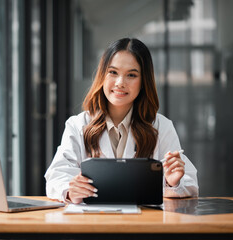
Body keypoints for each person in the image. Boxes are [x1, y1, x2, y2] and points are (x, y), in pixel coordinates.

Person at [44, 38, 198, 204]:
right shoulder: (77, 125)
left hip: (144, 223)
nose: (120, 83)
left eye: (131, 75)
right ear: (102, 75)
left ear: (143, 81)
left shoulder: (161, 126)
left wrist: (172, 183)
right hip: (92, 223)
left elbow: (190, 183)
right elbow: (56, 177)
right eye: (113, 72)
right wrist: (70, 190)